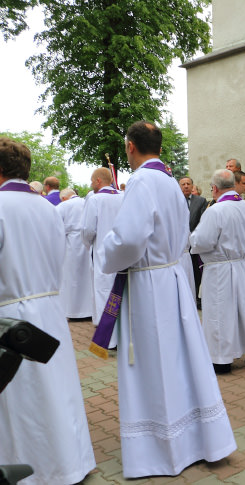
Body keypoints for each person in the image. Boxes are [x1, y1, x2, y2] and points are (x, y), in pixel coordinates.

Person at [98, 121, 236, 478]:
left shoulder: (143, 180)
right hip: (172, 278)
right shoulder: (172, 184)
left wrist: (105, 252)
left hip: (149, 287)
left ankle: (163, 449)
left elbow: (128, 240)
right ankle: (196, 438)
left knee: (155, 362)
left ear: (130, 147)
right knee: (178, 361)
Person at [0, 136, 96, 484]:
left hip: (11, 316)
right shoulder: (47, 207)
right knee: (57, 392)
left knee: (22, 398)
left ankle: (30, 470)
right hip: (49, 310)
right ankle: (68, 462)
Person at [190, 169, 245, 374]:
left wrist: (191, 239)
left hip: (220, 268)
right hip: (242, 265)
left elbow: (203, 241)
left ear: (215, 188)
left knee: (220, 312)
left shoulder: (215, 210)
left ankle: (220, 359)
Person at [81, 167, 123, 336]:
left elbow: (88, 229)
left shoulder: (95, 200)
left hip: (103, 253)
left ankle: (108, 335)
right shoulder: (124, 196)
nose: (91, 185)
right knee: (121, 292)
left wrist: (87, 244)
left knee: (104, 290)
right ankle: (122, 332)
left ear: (98, 180)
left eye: (92, 181)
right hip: (122, 253)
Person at [56, 187, 94, 319]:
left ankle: (72, 311)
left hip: (71, 244)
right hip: (88, 242)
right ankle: (89, 310)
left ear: (64, 197)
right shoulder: (87, 202)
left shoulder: (63, 206)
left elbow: (55, 227)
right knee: (87, 277)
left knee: (71, 277)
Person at [179, 175, 207, 305]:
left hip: (195, 244)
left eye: (188, 184)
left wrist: (194, 238)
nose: (186, 186)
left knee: (196, 272)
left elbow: (202, 222)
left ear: (192, 186)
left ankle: (196, 299)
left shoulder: (201, 201)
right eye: (183, 184)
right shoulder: (175, 201)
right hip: (180, 245)